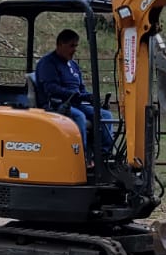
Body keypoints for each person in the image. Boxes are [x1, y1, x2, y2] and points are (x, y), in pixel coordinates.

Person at [33, 28, 114, 159]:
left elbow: (80, 88)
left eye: (76, 46)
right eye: (71, 46)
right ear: (60, 44)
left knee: (105, 114)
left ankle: (103, 154)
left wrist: (88, 96)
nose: (74, 50)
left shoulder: (73, 65)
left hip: (75, 102)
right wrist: (75, 95)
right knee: (79, 117)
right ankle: (81, 157)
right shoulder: (48, 63)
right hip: (57, 104)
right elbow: (51, 88)